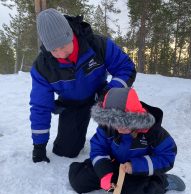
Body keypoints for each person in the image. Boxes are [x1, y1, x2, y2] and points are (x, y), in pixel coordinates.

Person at [30, 8, 136, 163]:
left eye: (64, 45)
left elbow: (126, 68)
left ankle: (125, 143)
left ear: (71, 34)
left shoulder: (97, 44)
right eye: (54, 49)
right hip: (72, 104)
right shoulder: (42, 67)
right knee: (66, 151)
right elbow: (40, 106)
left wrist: (110, 90)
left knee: (119, 146)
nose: (61, 53)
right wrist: (39, 145)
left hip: (102, 96)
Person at [68, 87, 185, 194]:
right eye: (114, 123)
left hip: (139, 172)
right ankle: (110, 179)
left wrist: (135, 166)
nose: (118, 128)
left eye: (124, 123)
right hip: (113, 164)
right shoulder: (107, 127)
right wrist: (104, 172)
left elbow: (167, 157)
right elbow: (99, 148)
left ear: (134, 117)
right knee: (78, 180)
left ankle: (164, 182)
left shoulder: (154, 132)